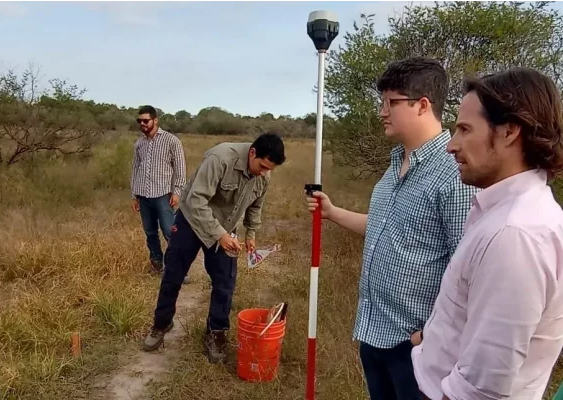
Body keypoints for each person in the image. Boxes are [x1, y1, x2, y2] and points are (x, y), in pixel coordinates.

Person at [305, 57, 478, 400]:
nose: (382, 112)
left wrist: (430, 334)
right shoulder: (393, 167)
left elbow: (471, 268)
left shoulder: (455, 176)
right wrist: (333, 213)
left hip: (416, 346)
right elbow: (389, 228)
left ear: (422, 105)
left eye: (390, 103)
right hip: (375, 331)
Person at [411, 67, 563, 400]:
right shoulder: (509, 214)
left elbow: (482, 388)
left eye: (465, 129)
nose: (452, 146)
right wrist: (435, 339)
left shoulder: (516, 234)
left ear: (509, 131)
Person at [142, 132, 286, 364]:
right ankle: (161, 323)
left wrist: (250, 233)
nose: (264, 172)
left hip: (225, 227)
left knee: (225, 283)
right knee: (173, 276)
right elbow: (196, 200)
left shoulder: (263, 176)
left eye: (270, 169)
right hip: (191, 221)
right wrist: (219, 235)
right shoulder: (220, 159)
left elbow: (255, 206)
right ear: (252, 153)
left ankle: (215, 332)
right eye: (262, 165)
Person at [131, 105, 190, 284]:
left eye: (146, 120)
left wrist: (177, 192)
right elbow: (135, 169)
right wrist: (134, 195)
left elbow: (180, 168)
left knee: (170, 232)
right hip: (143, 195)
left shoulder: (171, 141)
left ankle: (178, 270)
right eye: (139, 121)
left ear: (155, 120)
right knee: (150, 233)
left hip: (163, 195)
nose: (142, 123)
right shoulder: (139, 144)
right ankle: (156, 266)